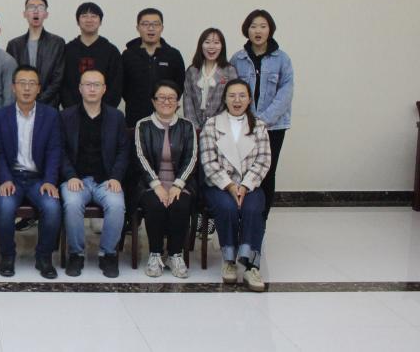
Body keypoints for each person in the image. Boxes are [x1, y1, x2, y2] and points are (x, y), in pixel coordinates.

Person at [199, 79, 272, 292]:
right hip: (219, 185)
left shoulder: (259, 126)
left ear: (249, 100)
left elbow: (263, 161)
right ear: (225, 99)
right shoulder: (212, 125)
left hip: (250, 184)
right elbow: (209, 162)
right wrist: (230, 186)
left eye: (242, 96)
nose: (237, 100)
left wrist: (245, 186)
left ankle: (251, 266)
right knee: (227, 207)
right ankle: (229, 261)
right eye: (232, 95)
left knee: (253, 208)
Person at [0, 66, 62, 279]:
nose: (27, 88)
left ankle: (44, 257)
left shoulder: (50, 115)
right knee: (5, 207)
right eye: (22, 83)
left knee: (52, 206)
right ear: (13, 87)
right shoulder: (0, 116)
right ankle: (7, 256)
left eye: (32, 84)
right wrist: (4, 179)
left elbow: (54, 150)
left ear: (39, 89)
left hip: (38, 178)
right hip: (11, 177)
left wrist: (50, 180)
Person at [59, 68, 128, 278]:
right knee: (72, 204)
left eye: (96, 85)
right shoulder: (66, 116)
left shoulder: (116, 117)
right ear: (80, 88)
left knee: (117, 205)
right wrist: (70, 175)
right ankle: (76, 254)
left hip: (105, 180)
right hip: (76, 179)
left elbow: (123, 151)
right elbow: (59, 150)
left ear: (104, 89)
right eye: (87, 84)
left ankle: (108, 254)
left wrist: (115, 177)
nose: (92, 89)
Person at [230, 9, 293, 221]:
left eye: (263, 26)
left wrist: (262, 120)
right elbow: (231, 92)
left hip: (273, 127)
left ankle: (261, 220)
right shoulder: (237, 59)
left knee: (267, 172)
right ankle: (242, 216)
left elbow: (286, 93)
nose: (258, 31)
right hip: (242, 125)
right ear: (246, 30)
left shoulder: (282, 59)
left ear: (270, 30)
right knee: (242, 170)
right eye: (253, 26)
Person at [133, 80, 197, 279]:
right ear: (153, 101)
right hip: (150, 184)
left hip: (181, 183)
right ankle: (155, 254)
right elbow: (141, 157)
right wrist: (157, 186)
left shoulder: (187, 126)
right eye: (161, 97)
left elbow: (191, 158)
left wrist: (178, 185)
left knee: (180, 203)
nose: (166, 101)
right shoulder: (143, 125)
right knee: (155, 204)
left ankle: (175, 255)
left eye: (171, 98)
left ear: (178, 102)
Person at [121, 8, 186, 127]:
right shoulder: (128, 55)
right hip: (134, 117)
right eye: (145, 24)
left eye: (156, 24)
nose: (151, 28)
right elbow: (123, 86)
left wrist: (166, 103)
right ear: (137, 28)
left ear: (162, 28)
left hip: (166, 117)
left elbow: (179, 85)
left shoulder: (173, 55)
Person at [6, 0, 65, 107]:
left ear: (46, 14)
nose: (36, 11)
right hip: (21, 105)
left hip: (49, 105)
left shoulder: (57, 43)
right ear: (24, 14)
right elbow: (11, 78)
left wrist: (39, 102)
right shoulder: (14, 45)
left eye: (41, 7)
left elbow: (58, 79)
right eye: (31, 7)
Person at [61, 2, 123, 109]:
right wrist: (72, 109)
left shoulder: (111, 51)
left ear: (100, 21)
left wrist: (103, 110)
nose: (89, 20)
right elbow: (62, 84)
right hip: (72, 112)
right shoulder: (67, 50)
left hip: (105, 112)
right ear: (78, 21)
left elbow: (116, 85)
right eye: (84, 16)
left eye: (94, 16)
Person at [183, 28, 238, 130]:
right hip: (196, 127)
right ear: (201, 45)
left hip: (222, 126)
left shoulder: (229, 70)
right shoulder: (192, 70)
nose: (211, 47)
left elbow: (232, 100)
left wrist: (217, 125)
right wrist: (194, 127)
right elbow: (188, 101)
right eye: (207, 42)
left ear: (222, 46)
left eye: (216, 43)